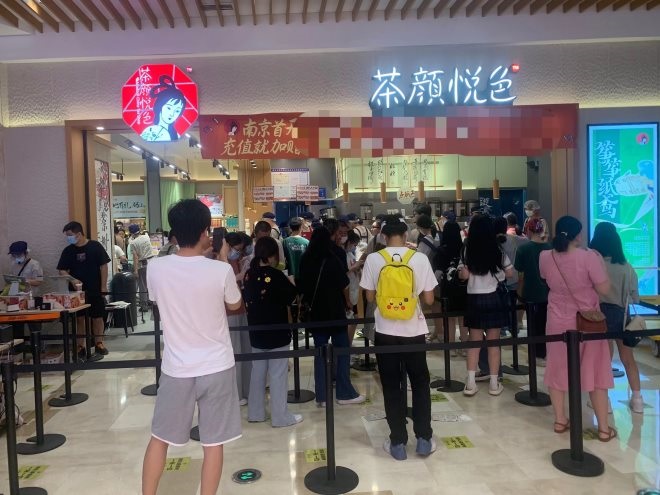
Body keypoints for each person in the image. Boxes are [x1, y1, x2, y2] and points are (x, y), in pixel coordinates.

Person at [142, 199, 242, 495]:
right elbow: (234, 305)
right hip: (217, 365)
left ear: (174, 232)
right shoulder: (220, 271)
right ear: (204, 232)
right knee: (213, 444)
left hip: (176, 368)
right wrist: (221, 259)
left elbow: (159, 300)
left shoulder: (155, 268)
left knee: (159, 438)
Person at [360, 214, 437, 461]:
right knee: (420, 383)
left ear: (383, 236)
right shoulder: (419, 258)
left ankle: (398, 442)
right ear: (405, 236)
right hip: (414, 332)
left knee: (392, 385)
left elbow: (369, 297)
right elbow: (429, 299)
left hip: (385, 332)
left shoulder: (374, 259)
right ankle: (423, 439)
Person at [539, 216, 616, 441]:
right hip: (588, 322)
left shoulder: (545, 256)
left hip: (556, 321)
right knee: (596, 370)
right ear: (578, 235)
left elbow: (545, 278)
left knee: (557, 368)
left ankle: (560, 420)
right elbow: (604, 289)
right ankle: (604, 428)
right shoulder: (589, 257)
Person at [298, 227, 364, 407]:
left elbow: (301, 285)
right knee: (342, 350)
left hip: (315, 313)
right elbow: (344, 284)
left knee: (320, 353)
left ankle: (322, 396)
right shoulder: (332, 259)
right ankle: (344, 393)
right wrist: (348, 303)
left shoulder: (305, 259)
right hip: (334, 312)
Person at [243, 237, 302, 427]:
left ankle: (255, 413)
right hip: (277, 332)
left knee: (257, 374)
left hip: (256, 332)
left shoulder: (249, 274)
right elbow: (291, 297)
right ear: (272, 255)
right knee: (277, 375)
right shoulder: (276, 275)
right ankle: (280, 417)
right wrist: (291, 283)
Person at [589, 222, 644, 414]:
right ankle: (637, 399)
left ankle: (605, 403)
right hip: (622, 315)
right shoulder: (626, 267)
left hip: (599, 315)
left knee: (604, 360)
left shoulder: (595, 264)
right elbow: (635, 297)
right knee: (628, 359)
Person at [459, 214, 513, 397]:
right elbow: (510, 273)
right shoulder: (497, 249)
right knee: (493, 343)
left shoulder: (467, 249)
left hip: (474, 299)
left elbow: (463, 275)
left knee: (474, 343)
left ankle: (470, 384)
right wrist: (500, 275)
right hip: (494, 297)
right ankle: (494, 384)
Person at [57, 221, 111, 357]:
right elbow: (62, 270)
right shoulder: (68, 251)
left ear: (79, 234)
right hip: (76, 292)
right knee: (79, 319)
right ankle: (80, 346)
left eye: (69, 235)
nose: (68, 238)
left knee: (97, 317)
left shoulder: (95, 246)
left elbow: (104, 266)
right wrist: (72, 279)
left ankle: (99, 343)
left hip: (95, 288)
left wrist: (103, 286)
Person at [514, 218, 551, 365]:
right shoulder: (550, 248)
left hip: (530, 291)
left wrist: (519, 292)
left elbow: (520, 272)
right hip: (549, 292)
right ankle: (544, 353)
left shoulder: (523, 249)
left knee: (533, 325)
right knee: (545, 324)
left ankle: (535, 355)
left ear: (529, 230)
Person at [224, 232, 254, 405]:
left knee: (245, 351)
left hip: (241, 308)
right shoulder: (219, 261)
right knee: (236, 352)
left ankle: (247, 390)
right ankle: (237, 393)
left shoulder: (237, 260)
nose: (239, 253)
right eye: (237, 249)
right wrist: (238, 277)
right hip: (229, 312)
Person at [437, 221, 468, 355]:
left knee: (449, 317)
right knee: (463, 317)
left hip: (447, 287)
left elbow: (438, 272)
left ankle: (451, 347)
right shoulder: (463, 248)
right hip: (463, 285)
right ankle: (465, 346)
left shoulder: (441, 250)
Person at [140, 75, 185, 142]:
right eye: (169, 108)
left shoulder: (176, 136)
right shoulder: (148, 132)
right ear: (159, 106)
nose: (172, 114)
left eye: (177, 111)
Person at [128, 224, 154, 311]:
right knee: (150, 284)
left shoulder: (133, 243)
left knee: (142, 285)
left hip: (142, 264)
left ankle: (144, 306)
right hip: (151, 262)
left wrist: (135, 270)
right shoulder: (146, 237)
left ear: (131, 233)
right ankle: (151, 302)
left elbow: (135, 257)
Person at [345, 231, 363, 344]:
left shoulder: (350, 254)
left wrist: (358, 268)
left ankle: (349, 343)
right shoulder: (342, 255)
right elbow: (342, 274)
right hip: (347, 291)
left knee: (354, 319)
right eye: (354, 245)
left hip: (354, 291)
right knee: (350, 319)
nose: (354, 247)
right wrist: (354, 267)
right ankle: (347, 344)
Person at [282, 217, 309, 283]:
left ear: (290, 228)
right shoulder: (306, 242)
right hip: (303, 275)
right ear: (300, 227)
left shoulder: (285, 241)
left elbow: (283, 258)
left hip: (290, 275)